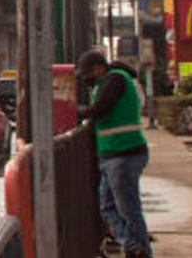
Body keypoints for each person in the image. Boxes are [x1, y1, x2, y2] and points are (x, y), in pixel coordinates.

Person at [76, 50, 152, 258]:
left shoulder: (115, 79)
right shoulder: (105, 82)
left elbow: (100, 109)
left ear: (99, 68)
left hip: (124, 153)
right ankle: (133, 246)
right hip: (112, 154)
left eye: (87, 73)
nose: (85, 79)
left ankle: (140, 250)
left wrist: (76, 111)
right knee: (108, 207)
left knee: (128, 210)